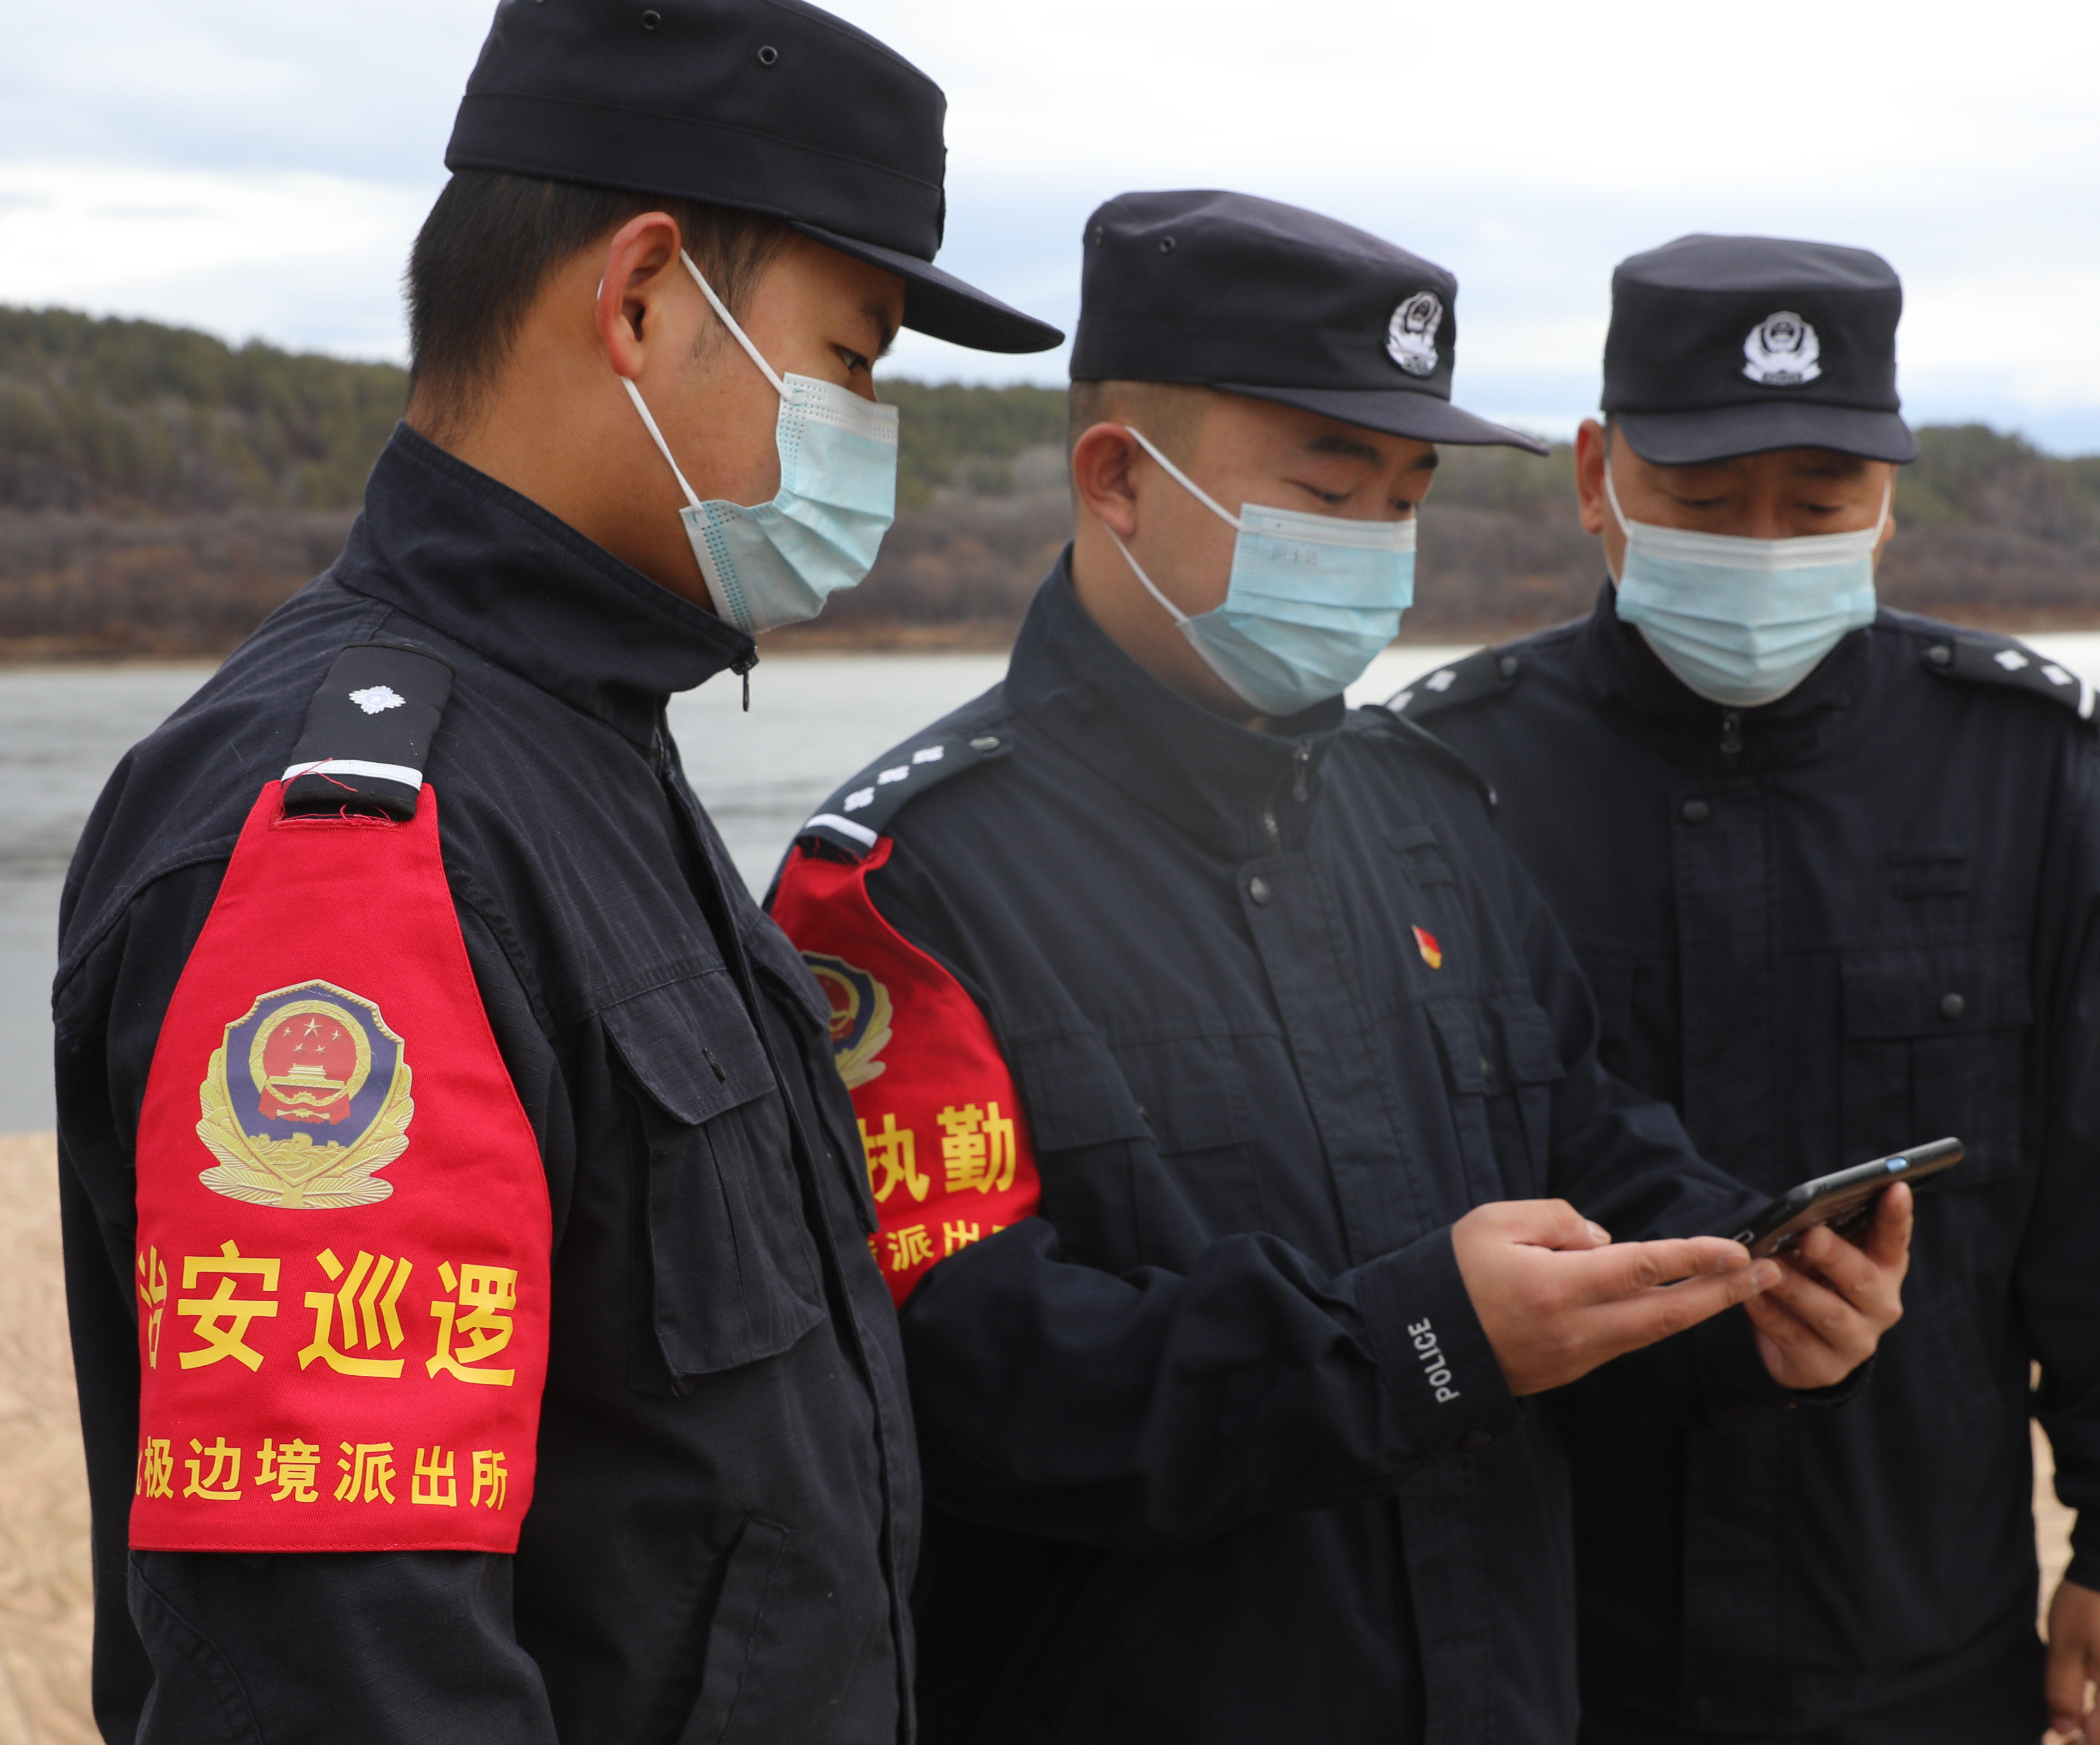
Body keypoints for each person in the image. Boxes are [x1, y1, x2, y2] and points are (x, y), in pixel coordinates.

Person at [49, 0, 1060, 1739]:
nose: (869, 433)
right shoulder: (368, 842)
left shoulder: (586, 749)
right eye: (850, 361)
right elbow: (349, 1672)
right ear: (644, 297)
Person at [763, 191, 1913, 1745]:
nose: (1373, 546)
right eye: (1326, 491)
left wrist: (1745, 1287)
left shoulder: (1422, 813)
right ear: (1118, 478)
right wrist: (1415, 1344)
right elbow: (955, 1373)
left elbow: (1580, 1135)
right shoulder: (908, 885)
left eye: (1403, 500)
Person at [1392, 235, 2100, 1745]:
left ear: (1889, 501)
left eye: (1818, 504)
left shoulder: (2023, 763)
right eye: (1706, 501)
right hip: (1558, 1625)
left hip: (1913, 1613)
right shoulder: (1447, 777)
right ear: (1596, 476)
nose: (1763, 545)